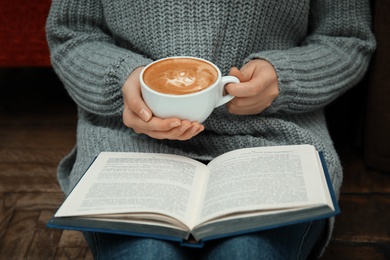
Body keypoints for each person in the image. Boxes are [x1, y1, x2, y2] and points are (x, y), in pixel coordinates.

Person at [46, 0, 376, 259]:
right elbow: (73, 33)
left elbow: (346, 38)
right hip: (127, 141)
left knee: (245, 253)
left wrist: (284, 76)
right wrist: (123, 82)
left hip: (275, 139)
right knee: (148, 254)